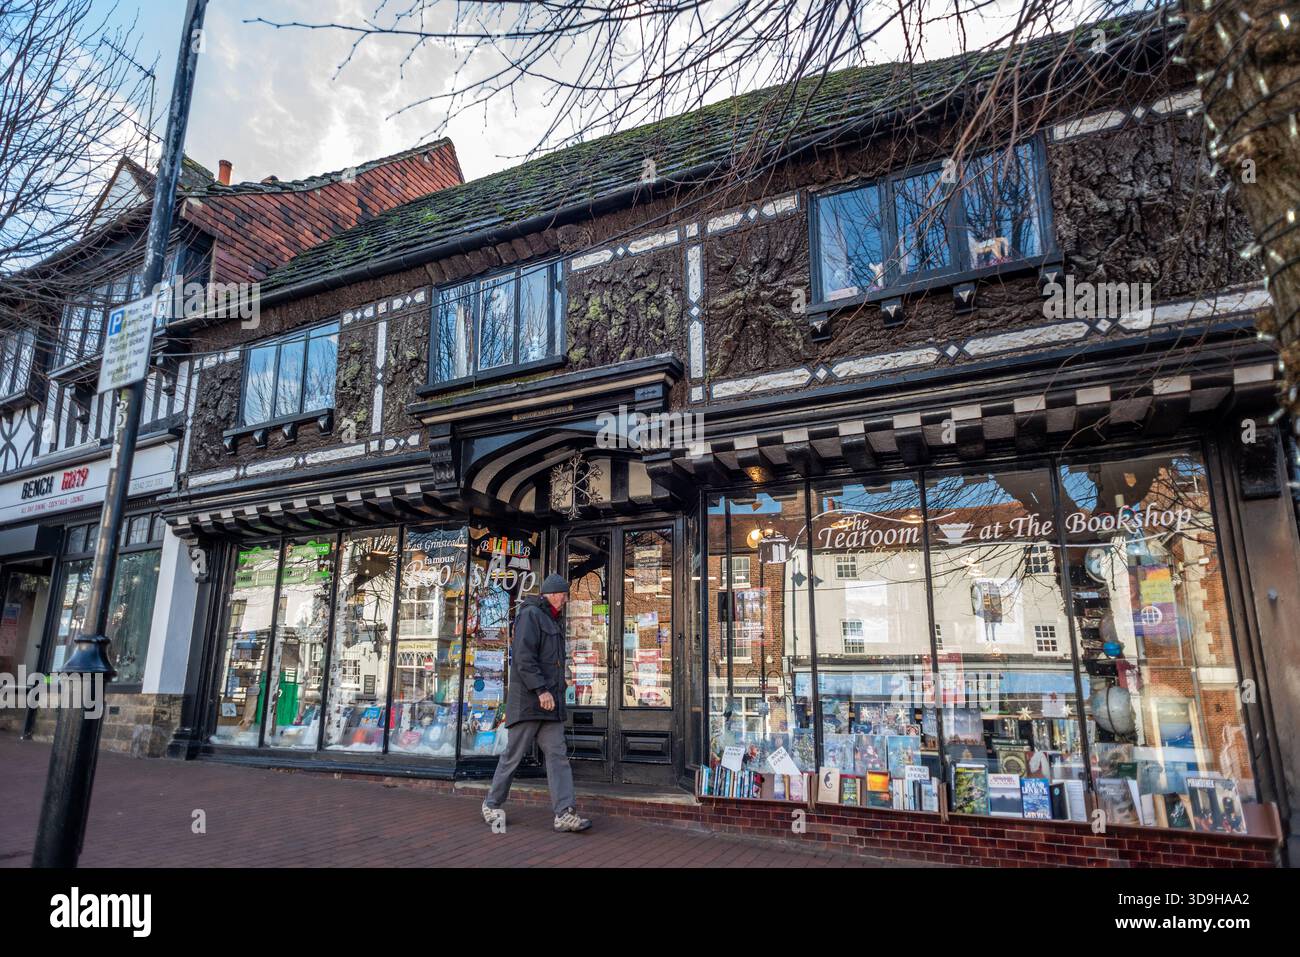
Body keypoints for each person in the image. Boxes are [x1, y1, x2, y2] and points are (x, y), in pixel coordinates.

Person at [482, 573, 592, 833]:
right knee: (513, 756)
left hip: (549, 703)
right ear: (553, 594)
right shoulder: (530, 615)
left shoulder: (553, 620)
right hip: (530, 701)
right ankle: (491, 804)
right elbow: (523, 657)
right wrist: (541, 689)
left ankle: (564, 813)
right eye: (564, 595)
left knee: (558, 755)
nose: (565, 599)